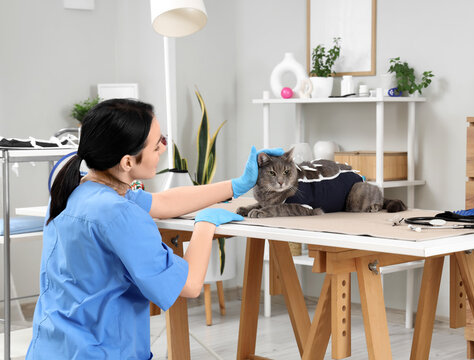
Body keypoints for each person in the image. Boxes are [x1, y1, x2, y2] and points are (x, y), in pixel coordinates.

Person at [25, 98, 283, 359]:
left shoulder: (75, 188)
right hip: (102, 351)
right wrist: (205, 225)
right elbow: (191, 285)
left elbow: (162, 202)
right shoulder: (119, 214)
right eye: (157, 143)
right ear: (127, 162)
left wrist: (236, 185)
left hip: (52, 346)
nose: (163, 147)